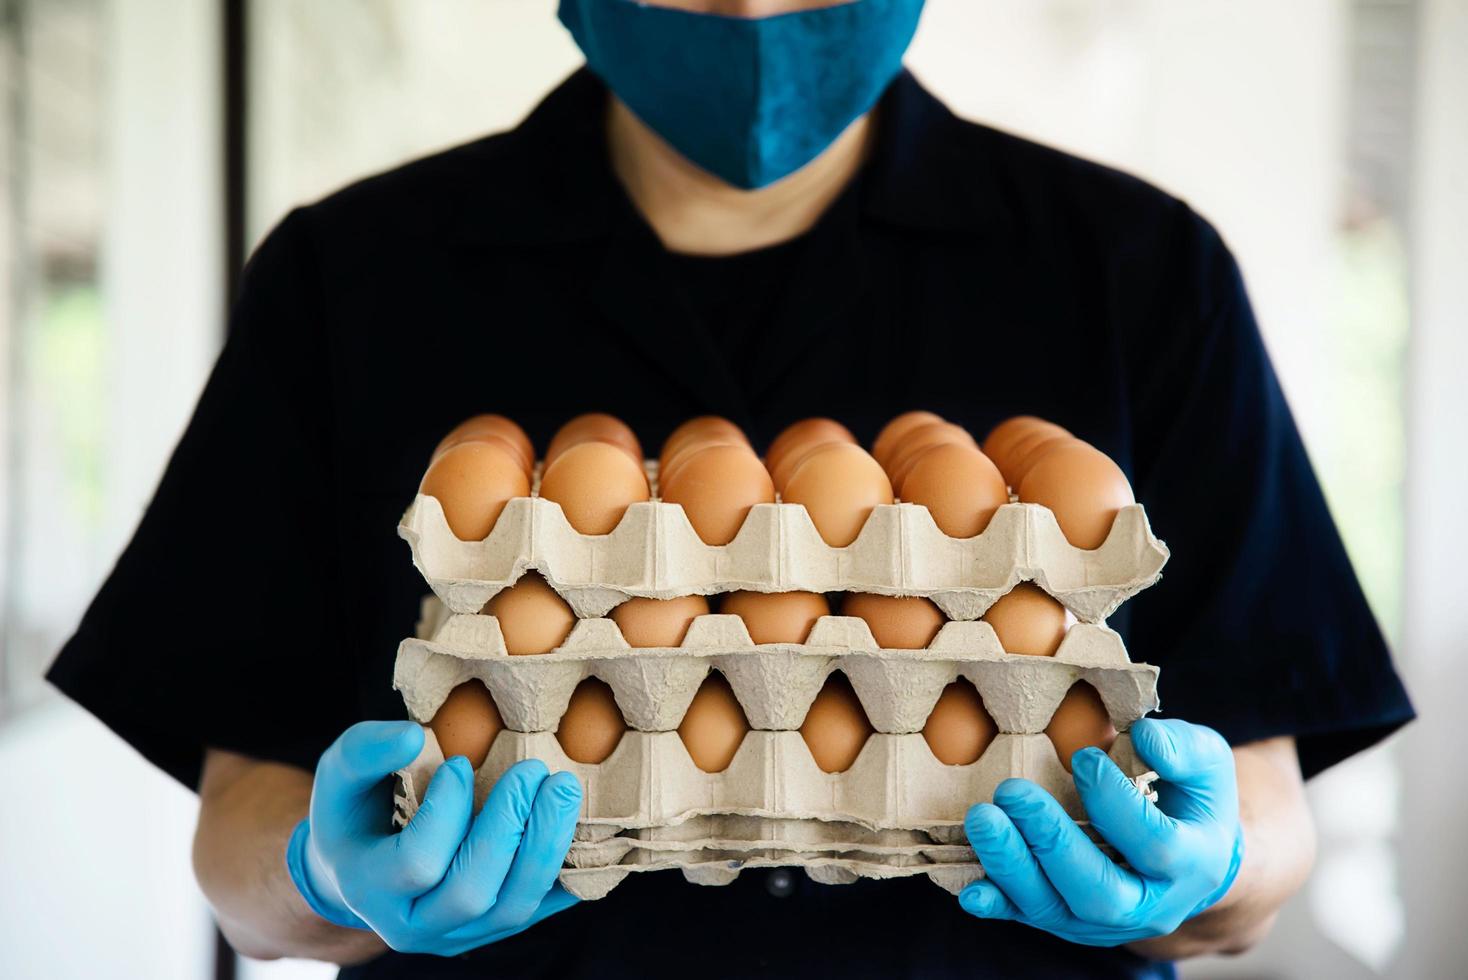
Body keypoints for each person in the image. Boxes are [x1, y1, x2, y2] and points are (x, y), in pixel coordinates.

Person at [48, 1, 1414, 977]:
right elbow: (239, 854)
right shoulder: (352, 280)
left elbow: (1265, 823)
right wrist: (325, 876)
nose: (752, 3)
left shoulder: (1136, 271)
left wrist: (1205, 874)